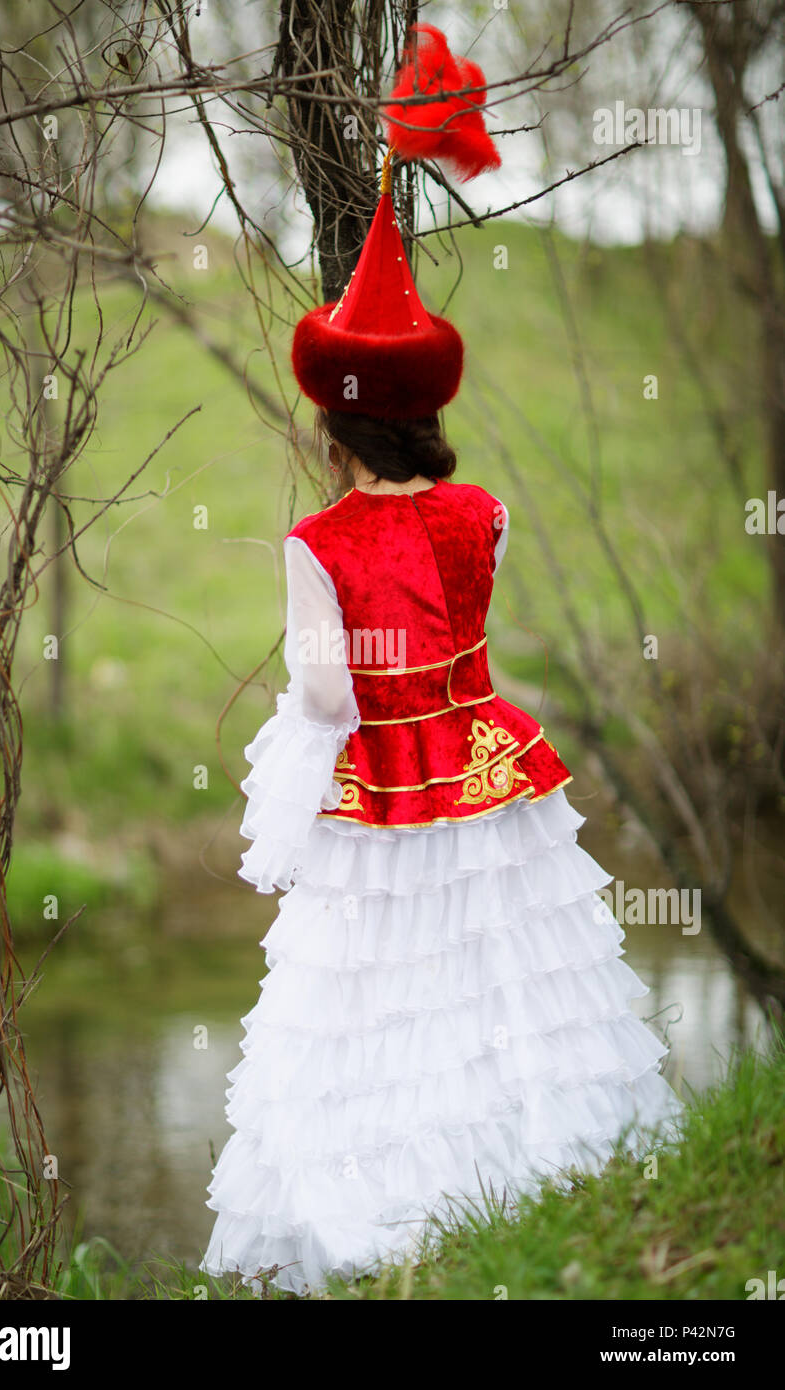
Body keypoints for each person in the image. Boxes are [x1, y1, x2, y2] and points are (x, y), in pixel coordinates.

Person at [199, 32, 684, 1296]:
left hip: (382, 787)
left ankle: (395, 1217)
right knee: (499, 982)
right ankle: (530, 1183)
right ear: (421, 410)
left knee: (375, 1012)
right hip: (483, 759)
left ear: (335, 420)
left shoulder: (318, 540)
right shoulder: (487, 514)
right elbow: (453, 630)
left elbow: (323, 693)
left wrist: (293, 766)